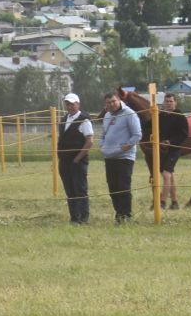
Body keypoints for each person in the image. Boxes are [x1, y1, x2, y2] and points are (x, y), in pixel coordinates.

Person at [100, 89, 140, 223]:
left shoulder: (130, 114)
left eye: (113, 101)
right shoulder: (107, 116)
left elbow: (137, 135)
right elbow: (104, 134)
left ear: (119, 100)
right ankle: (119, 214)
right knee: (113, 188)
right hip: (109, 157)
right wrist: (102, 145)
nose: (111, 104)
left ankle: (126, 215)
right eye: (108, 103)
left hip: (125, 157)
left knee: (123, 187)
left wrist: (127, 145)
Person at [56, 93, 93, 224]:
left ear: (78, 104)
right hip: (64, 161)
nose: (70, 106)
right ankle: (74, 218)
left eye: (72, 104)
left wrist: (77, 159)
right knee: (70, 190)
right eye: (67, 104)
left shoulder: (84, 120)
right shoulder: (63, 119)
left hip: (78, 161)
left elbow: (89, 142)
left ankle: (83, 218)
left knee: (80, 190)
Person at [157, 92, 184, 212]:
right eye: (166, 101)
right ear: (163, 103)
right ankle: (174, 202)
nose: (168, 103)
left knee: (166, 174)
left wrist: (170, 141)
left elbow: (184, 134)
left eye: (171, 101)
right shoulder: (160, 116)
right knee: (170, 175)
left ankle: (162, 202)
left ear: (175, 102)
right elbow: (149, 125)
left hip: (174, 149)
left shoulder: (180, 116)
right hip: (162, 150)